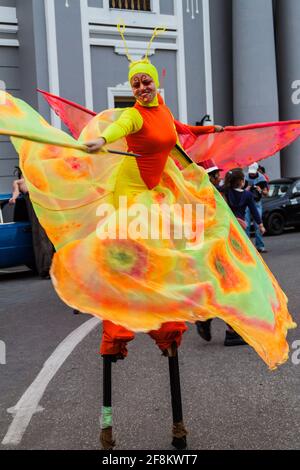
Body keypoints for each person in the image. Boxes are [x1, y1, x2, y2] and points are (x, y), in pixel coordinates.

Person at [0, 24, 296, 449]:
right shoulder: (134, 114)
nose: (141, 87)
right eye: (136, 82)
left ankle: (169, 306)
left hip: (156, 190)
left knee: (182, 238)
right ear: (133, 88)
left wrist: (215, 132)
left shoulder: (159, 109)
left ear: (156, 84)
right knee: (140, 246)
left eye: (146, 81)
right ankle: (122, 303)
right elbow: (120, 128)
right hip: (131, 194)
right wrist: (99, 140)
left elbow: (179, 131)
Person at [9, 167, 55, 279]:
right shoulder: (19, 182)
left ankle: (55, 268)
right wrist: (13, 199)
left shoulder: (34, 180)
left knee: (50, 238)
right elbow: (15, 192)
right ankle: (46, 269)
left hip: (46, 207)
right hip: (35, 210)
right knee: (42, 239)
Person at [245, 162, 269, 253]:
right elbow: (239, 190)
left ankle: (260, 246)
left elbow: (266, 193)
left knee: (258, 224)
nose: (251, 174)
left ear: (257, 170)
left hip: (257, 202)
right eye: (250, 172)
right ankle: (247, 247)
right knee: (246, 225)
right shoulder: (245, 177)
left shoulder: (262, 178)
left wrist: (261, 190)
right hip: (247, 203)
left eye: (253, 172)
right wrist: (246, 189)